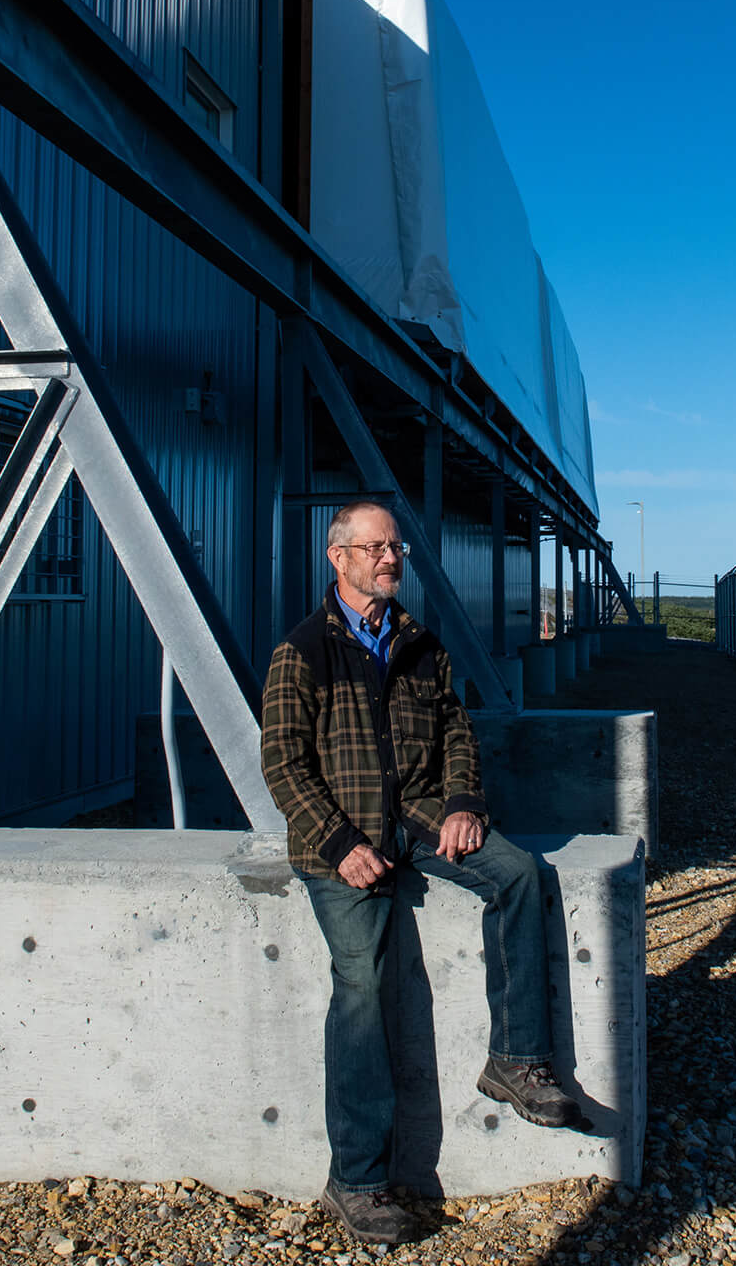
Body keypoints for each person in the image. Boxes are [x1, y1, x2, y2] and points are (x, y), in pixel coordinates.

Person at [261, 500, 579, 1246]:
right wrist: (339, 842)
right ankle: (359, 1180)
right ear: (337, 559)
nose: (391, 558)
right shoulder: (302, 651)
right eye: (375, 548)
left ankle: (518, 1060)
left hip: (421, 818)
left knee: (523, 874)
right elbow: (282, 762)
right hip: (344, 838)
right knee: (363, 987)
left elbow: (457, 731)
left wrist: (465, 802)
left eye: (395, 547)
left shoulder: (420, 644)